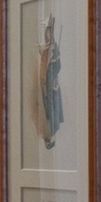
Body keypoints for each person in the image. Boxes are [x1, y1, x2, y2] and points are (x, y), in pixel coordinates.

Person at [39, 15, 63, 148]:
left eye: (49, 31)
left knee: (53, 109)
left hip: (52, 83)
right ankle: (50, 135)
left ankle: (53, 138)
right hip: (45, 83)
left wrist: (54, 75)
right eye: (46, 32)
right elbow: (43, 63)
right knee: (48, 108)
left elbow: (58, 65)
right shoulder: (46, 47)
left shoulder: (55, 47)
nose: (47, 34)